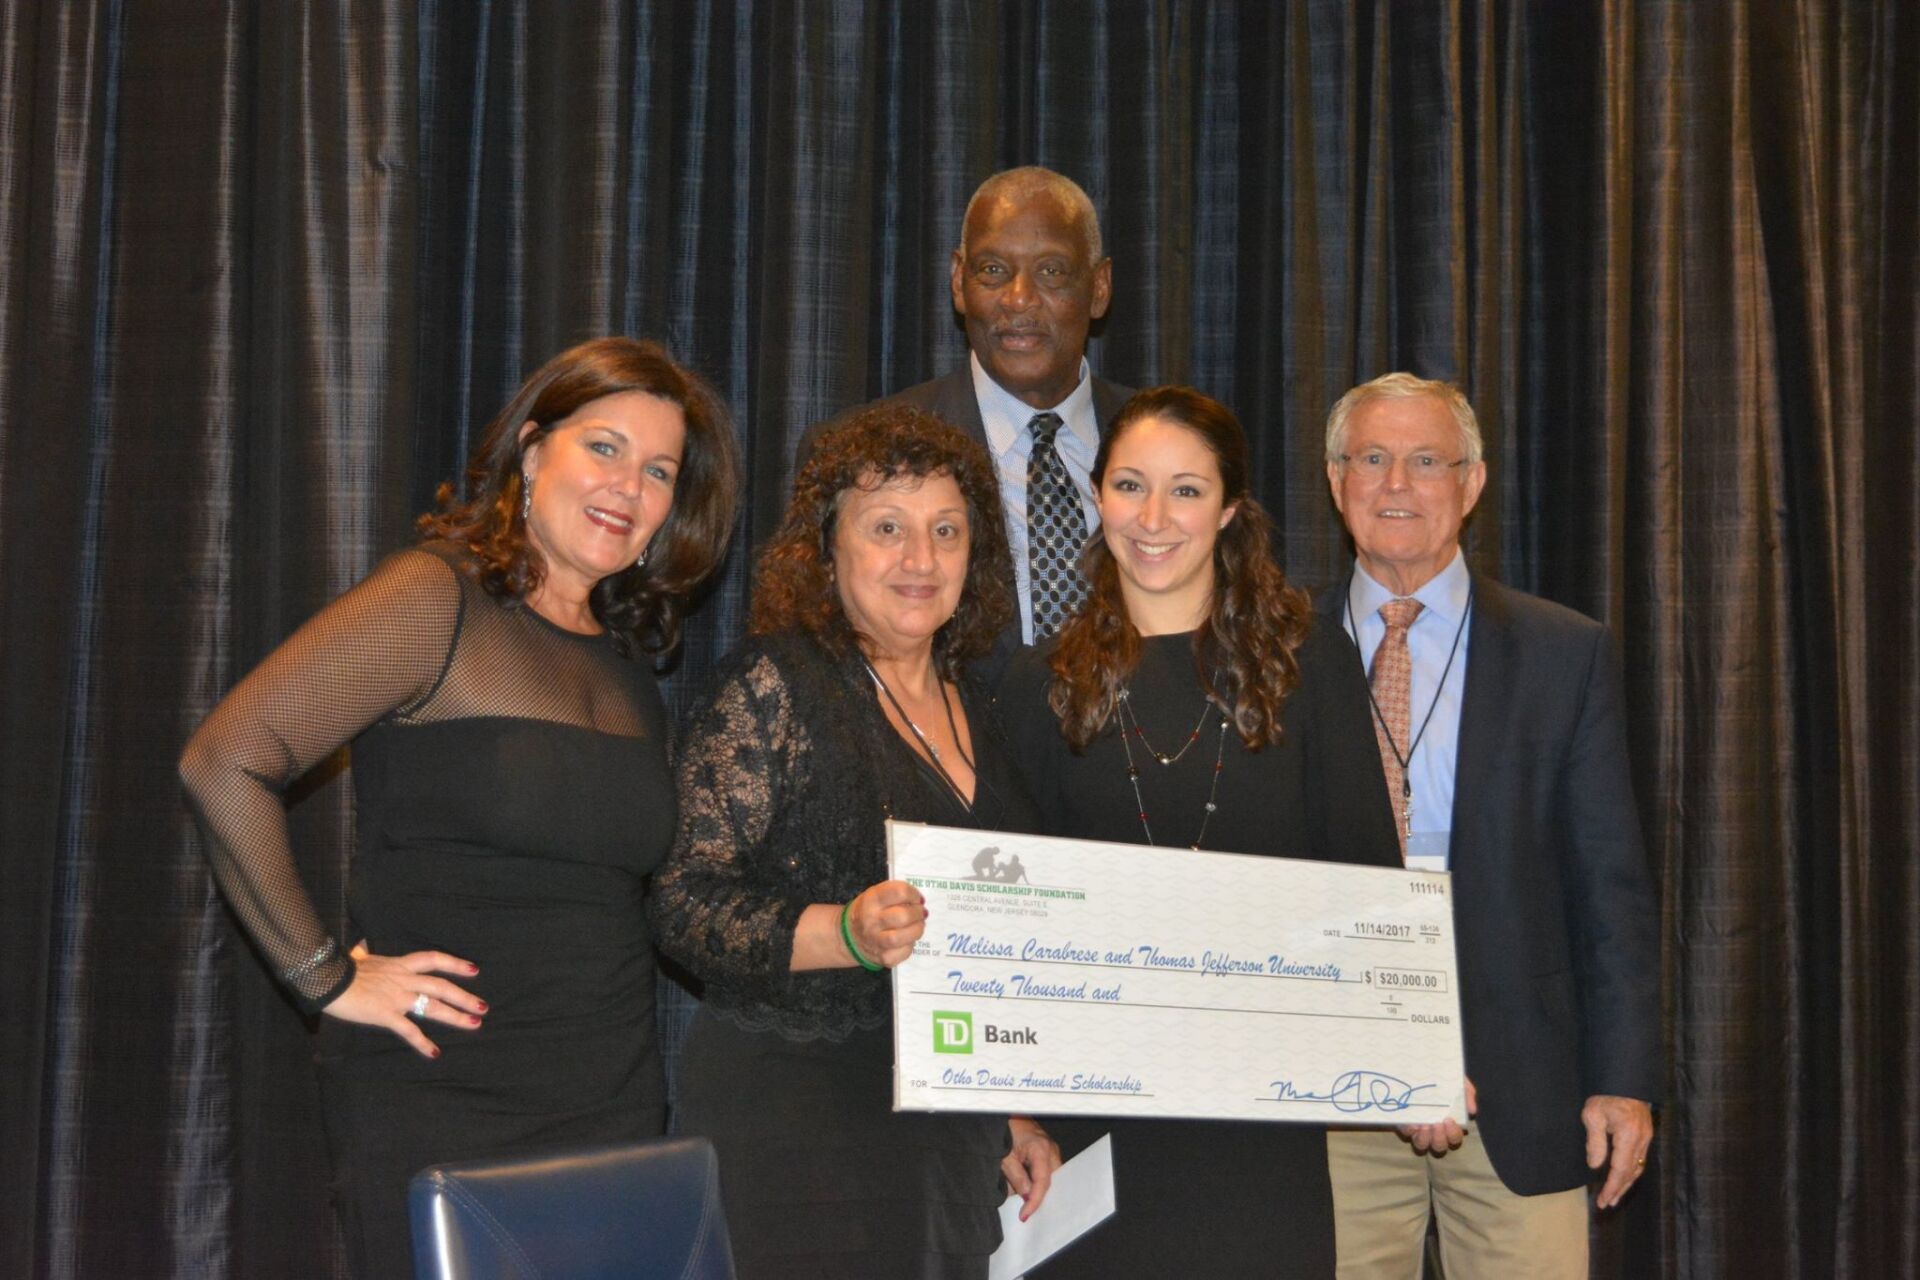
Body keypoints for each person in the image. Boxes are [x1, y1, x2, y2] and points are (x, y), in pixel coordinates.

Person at [178, 337, 741, 1278]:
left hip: (612, 1100)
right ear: (531, 452)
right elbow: (225, 759)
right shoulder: (435, 601)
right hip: (442, 1094)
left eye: (658, 471)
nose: (628, 488)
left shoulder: (631, 669)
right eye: (602, 448)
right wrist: (322, 977)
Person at [997, 386, 1402, 1275]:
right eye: (1130, 485)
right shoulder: (1037, 689)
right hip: (1095, 1129)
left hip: (1262, 1130)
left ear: (1228, 511)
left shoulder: (1309, 667)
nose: (1153, 517)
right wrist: (1018, 1115)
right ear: (1097, 496)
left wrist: (1410, 1055)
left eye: (1185, 490)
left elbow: (1368, 880)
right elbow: (1007, 931)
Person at [651, 405, 1061, 1278]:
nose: (920, 559)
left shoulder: (985, 709)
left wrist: (1014, 1114)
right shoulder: (775, 686)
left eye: (946, 531)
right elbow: (682, 902)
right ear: (827, 550)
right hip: (797, 1126)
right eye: (887, 529)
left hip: (946, 1138)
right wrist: (842, 932)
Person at [1318, 372, 1660, 1278]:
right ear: (1334, 479)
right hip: (1328, 1099)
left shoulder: (1566, 652)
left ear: (1472, 484)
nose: (1397, 485)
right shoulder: (1273, 650)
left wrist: (1622, 1076)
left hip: (1524, 1088)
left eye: (1427, 461)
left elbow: (1610, 883)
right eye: (1374, 460)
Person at [805, 166, 1133, 674]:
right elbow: (815, 664)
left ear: (1099, 287)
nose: (1018, 298)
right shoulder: (859, 451)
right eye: (993, 271)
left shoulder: (1173, 451)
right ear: (959, 283)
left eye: (1051, 271)